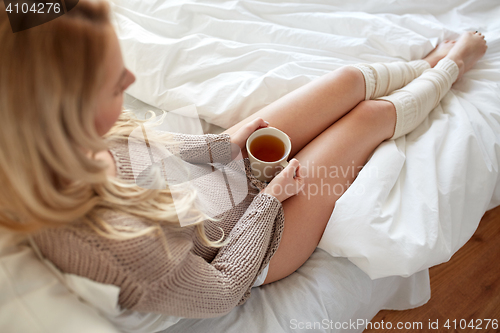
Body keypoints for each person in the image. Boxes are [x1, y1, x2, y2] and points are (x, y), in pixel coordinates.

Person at [0, 0, 487, 321]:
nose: (130, 79)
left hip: (211, 190)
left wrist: (228, 143)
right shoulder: (118, 248)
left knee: (344, 82)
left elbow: (159, 158)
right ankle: (454, 64)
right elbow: (219, 290)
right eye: (112, 83)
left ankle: (425, 66)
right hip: (245, 249)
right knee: (364, 121)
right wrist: (270, 200)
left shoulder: (61, 136)